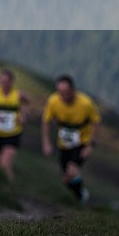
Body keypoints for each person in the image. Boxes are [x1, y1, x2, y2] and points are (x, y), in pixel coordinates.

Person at [41, 74, 101, 204]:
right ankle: (80, 195)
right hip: (64, 143)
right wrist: (46, 142)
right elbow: (46, 121)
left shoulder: (85, 103)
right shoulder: (53, 101)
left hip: (81, 142)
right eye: (60, 92)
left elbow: (96, 123)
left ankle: (80, 198)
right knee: (66, 178)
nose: (62, 95)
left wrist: (90, 145)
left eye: (65, 92)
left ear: (73, 90)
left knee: (72, 170)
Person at [0, 69, 30, 182]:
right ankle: (6, 184)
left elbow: (28, 105)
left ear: (11, 82)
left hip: (13, 134)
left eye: (6, 82)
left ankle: (9, 186)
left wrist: (23, 116)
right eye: (2, 81)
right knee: (0, 163)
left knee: (4, 164)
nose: (4, 84)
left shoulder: (19, 94)